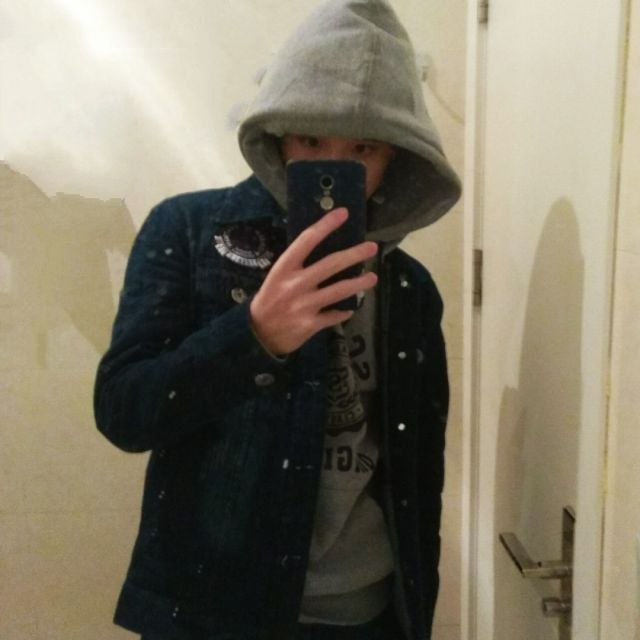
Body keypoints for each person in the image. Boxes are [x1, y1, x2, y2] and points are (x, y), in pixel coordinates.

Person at [93, 0, 461, 638]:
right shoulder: (186, 230)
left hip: (369, 615)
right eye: (310, 140)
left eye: (363, 147)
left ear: (394, 161)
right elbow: (124, 411)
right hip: (215, 616)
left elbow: (417, 475)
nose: (332, 167)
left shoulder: (411, 289)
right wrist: (254, 336)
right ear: (276, 138)